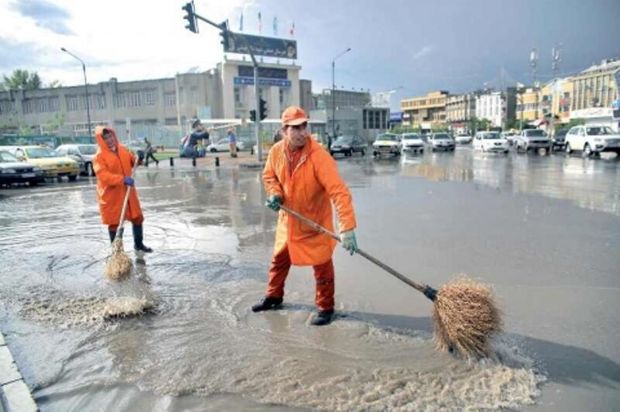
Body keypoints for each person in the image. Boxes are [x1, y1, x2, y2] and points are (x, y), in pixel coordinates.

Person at [252, 106, 358, 326]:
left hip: (315, 223)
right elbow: (269, 176)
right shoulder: (276, 152)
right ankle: (274, 297)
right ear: (284, 131)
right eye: (295, 128)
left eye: (304, 126)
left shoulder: (318, 156)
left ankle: (325, 307)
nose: (302, 132)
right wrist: (275, 194)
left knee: (322, 266)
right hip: (288, 222)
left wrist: (347, 228)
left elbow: (339, 192)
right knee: (278, 261)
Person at [93, 126, 153, 253]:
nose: (109, 140)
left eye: (110, 136)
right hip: (112, 196)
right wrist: (122, 179)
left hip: (129, 192)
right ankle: (118, 252)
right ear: (101, 140)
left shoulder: (123, 149)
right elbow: (103, 176)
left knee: (137, 217)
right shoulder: (99, 157)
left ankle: (139, 244)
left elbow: (134, 161)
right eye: (106, 138)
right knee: (115, 223)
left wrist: (140, 158)